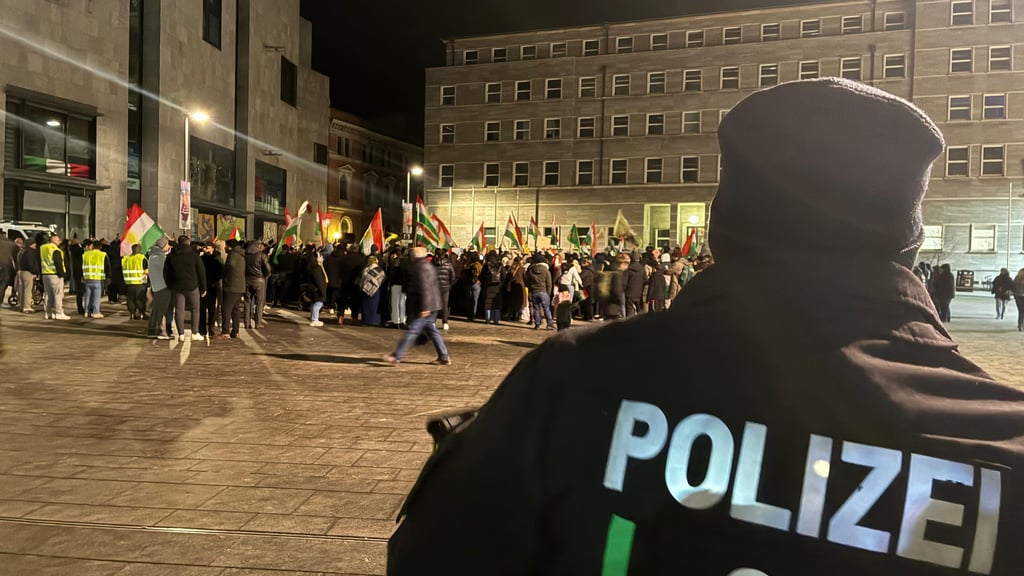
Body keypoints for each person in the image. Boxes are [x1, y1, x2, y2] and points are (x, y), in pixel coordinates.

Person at [388, 79, 1024, 574]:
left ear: (727, 223)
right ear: (908, 241)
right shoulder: (1004, 451)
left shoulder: (577, 382)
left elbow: (436, 557)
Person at [383, 246, 450, 366]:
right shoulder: (424, 266)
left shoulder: (421, 268)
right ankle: (444, 356)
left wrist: (425, 307)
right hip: (432, 304)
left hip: (426, 306)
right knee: (432, 332)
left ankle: (396, 356)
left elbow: (426, 289)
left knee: (412, 331)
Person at [164, 236, 207, 342]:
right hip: (192, 286)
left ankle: (181, 334)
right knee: (195, 309)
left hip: (177, 287)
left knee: (179, 310)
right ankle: (195, 332)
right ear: (188, 243)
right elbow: (201, 272)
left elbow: (166, 272)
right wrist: (204, 287)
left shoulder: (171, 256)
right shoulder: (194, 256)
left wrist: (170, 285)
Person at [218, 239, 246, 339]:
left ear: (230, 246)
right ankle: (235, 331)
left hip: (232, 286)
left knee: (226, 308)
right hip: (240, 286)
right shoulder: (242, 254)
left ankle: (225, 331)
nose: (224, 247)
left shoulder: (232, 255)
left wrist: (224, 277)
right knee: (235, 309)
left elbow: (229, 268)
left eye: (226, 246)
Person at [146, 238, 173, 339]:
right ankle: (161, 331)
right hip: (163, 286)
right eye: (167, 244)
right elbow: (167, 271)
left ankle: (152, 330)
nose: (168, 246)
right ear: (162, 246)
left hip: (156, 286)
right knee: (162, 310)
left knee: (156, 309)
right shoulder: (160, 257)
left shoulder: (152, 256)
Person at [40, 233, 70, 320]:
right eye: (58, 240)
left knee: (48, 294)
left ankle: (48, 313)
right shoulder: (55, 250)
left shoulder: (43, 248)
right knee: (58, 294)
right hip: (55, 274)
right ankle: (59, 312)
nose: (59, 241)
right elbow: (58, 263)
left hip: (45, 274)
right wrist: (62, 275)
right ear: (53, 240)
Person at [244, 240, 271, 329]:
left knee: (247, 302)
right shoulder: (261, 255)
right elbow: (268, 268)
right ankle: (258, 323)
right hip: (259, 280)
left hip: (247, 279)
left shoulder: (245, 255)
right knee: (259, 302)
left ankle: (247, 323)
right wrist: (266, 275)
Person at [198, 242, 223, 337]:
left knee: (212, 307)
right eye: (204, 248)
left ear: (212, 249)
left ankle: (211, 327)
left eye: (207, 248)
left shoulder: (217, 259)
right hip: (203, 285)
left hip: (213, 285)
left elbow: (220, 271)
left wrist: (215, 281)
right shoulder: (201, 259)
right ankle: (202, 327)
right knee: (202, 307)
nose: (205, 249)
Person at [81, 239, 107, 319]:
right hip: (97, 278)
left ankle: (86, 311)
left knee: (88, 295)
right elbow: (106, 266)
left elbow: (81, 266)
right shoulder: (102, 254)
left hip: (87, 277)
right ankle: (95, 312)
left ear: (92, 246)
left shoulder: (85, 254)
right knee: (96, 296)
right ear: (100, 247)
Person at [121, 244, 148, 320]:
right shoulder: (142, 258)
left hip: (129, 283)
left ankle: (132, 314)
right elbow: (146, 271)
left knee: (130, 299)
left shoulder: (126, 259)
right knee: (140, 299)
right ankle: (142, 313)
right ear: (139, 250)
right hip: (140, 283)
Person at [17, 235, 41, 314]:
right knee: (28, 290)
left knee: (23, 290)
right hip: (29, 273)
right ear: (31, 244)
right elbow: (31, 264)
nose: (36, 245)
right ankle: (27, 307)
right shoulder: (30, 252)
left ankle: (22, 306)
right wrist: (35, 271)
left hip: (22, 271)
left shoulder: (22, 251)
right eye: (34, 244)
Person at [360, 255, 386, 327]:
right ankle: (374, 320)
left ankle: (366, 320)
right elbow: (383, 279)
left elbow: (362, 279)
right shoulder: (380, 269)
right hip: (376, 289)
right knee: (374, 305)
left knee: (366, 306)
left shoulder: (366, 269)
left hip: (365, 289)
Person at [481, 250, 505, 325]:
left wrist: (484, 283)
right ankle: (496, 320)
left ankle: (488, 319)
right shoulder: (500, 265)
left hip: (488, 287)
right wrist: (501, 283)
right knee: (496, 304)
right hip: (497, 287)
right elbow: (504, 276)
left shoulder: (486, 265)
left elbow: (481, 276)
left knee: (488, 304)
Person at [434, 250, 455, 330]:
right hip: (445, 288)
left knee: (435, 305)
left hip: (435, 287)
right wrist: (450, 285)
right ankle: (445, 322)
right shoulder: (448, 264)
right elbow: (453, 276)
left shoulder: (432, 263)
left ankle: (433, 321)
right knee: (445, 306)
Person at [307, 251, 328, 327]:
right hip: (318, 289)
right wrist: (322, 291)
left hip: (315, 289)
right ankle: (315, 319)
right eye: (320, 256)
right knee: (318, 304)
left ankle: (314, 319)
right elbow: (319, 281)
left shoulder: (316, 267)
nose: (322, 258)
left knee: (315, 304)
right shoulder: (316, 268)